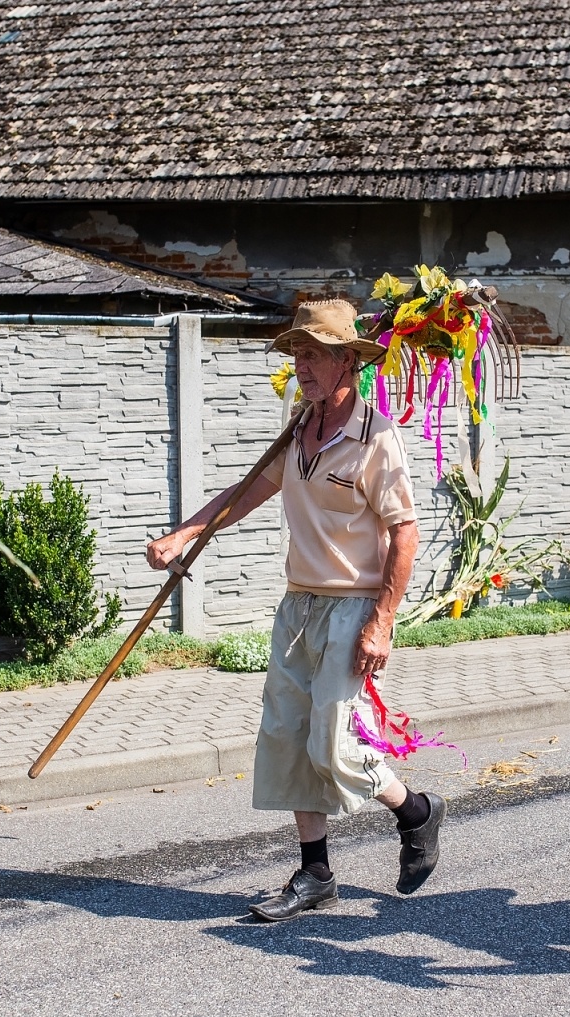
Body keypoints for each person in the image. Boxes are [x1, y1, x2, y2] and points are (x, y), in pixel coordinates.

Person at [146, 299, 445, 922]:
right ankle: (314, 873)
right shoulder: (297, 428)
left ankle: (416, 811)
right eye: (298, 354)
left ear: (346, 364)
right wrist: (187, 532)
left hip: (354, 607)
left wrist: (382, 620)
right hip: (298, 607)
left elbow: (405, 533)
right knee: (286, 740)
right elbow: (250, 490)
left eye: (313, 354)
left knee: (337, 747)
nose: (301, 365)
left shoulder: (376, 439)